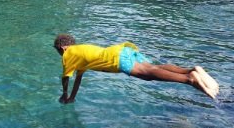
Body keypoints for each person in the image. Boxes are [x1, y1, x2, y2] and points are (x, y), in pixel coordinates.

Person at [53, 34, 219, 103]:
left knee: (148, 74)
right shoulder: (79, 55)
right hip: (124, 50)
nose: (61, 56)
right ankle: (190, 70)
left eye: (59, 52)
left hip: (116, 59)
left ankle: (190, 80)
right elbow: (78, 78)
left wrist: (64, 94)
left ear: (63, 48)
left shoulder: (68, 55)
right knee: (154, 68)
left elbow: (65, 78)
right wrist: (72, 98)